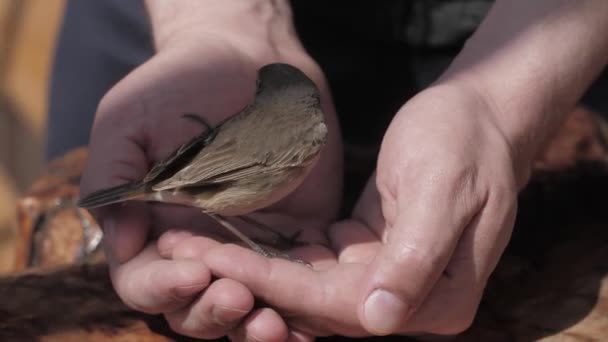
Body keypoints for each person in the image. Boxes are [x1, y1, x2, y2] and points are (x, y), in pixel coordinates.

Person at [48, 0, 608, 340]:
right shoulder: (296, 129)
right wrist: (219, 26)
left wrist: (495, 106)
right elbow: (222, 177)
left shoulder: (298, 128)